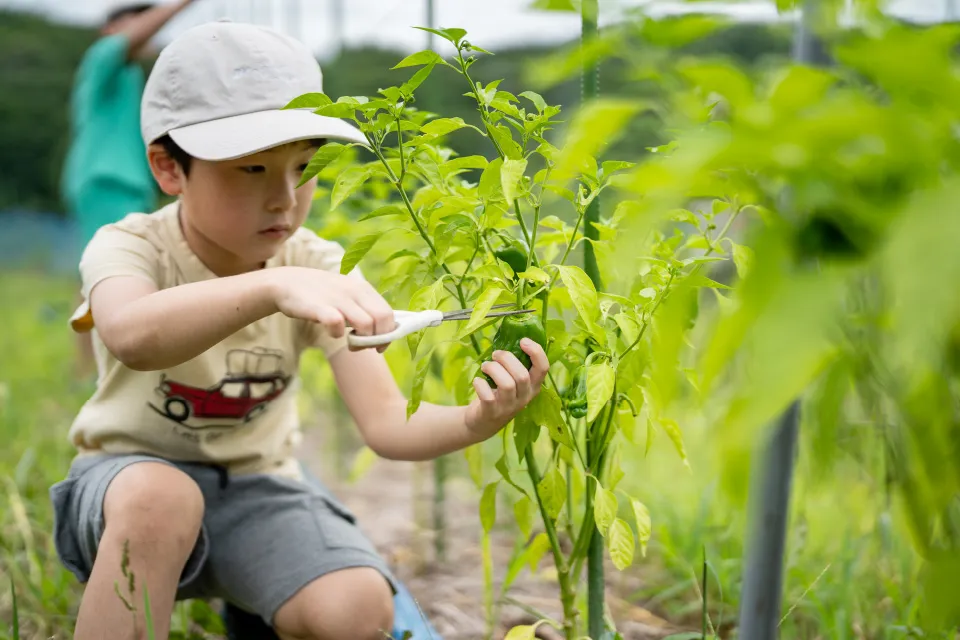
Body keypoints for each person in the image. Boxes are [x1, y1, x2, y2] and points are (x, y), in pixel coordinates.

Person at [50, 20, 550, 640]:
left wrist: (478, 421)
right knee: (162, 500)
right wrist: (270, 289)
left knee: (357, 604)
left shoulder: (315, 264)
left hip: (257, 491)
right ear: (169, 168)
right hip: (126, 486)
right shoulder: (131, 245)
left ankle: (256, 597)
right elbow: (131, 333)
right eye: (253, 170)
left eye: (305, 167)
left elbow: (389, 425)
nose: (285, 198)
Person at [61, 0, 201, 378]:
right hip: (107, 181)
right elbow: (135, 34)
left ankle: (96, 371)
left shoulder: (128, 78)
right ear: (112, 29)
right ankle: (96, 374)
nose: (148, 29)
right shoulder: (102, 59)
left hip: (121, 182)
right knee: (107, 273)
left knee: (111, 271)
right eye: (137, 20)